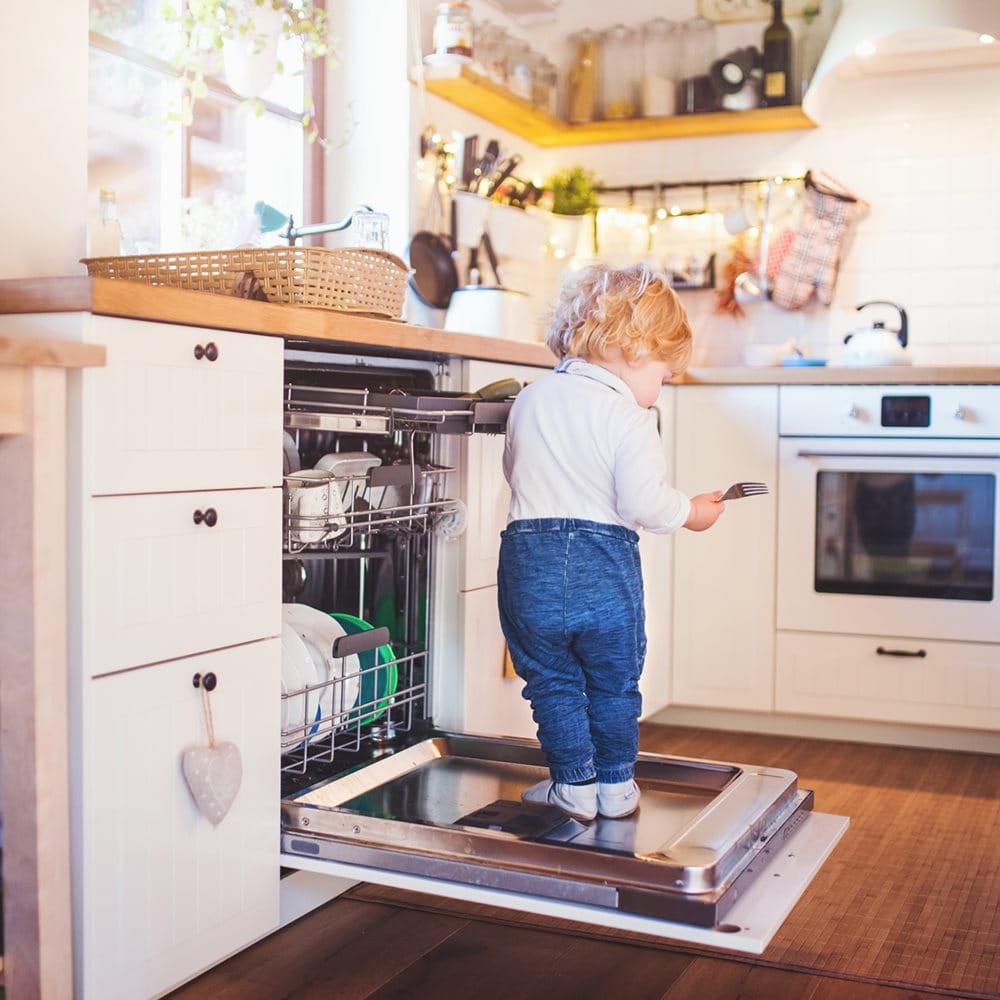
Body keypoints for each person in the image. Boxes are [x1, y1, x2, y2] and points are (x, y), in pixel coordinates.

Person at [497, 263, 725, 823]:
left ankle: (573, 784)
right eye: (665, 375)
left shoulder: (530, 399)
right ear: (636, 348)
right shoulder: (629, 417)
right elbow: (645, 505)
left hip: (529, 560)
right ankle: (618, 786)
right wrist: (693, 512)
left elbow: (513, 472)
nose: (660, 387)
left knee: (552, 679)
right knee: (613, 680)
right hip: (604, 564)